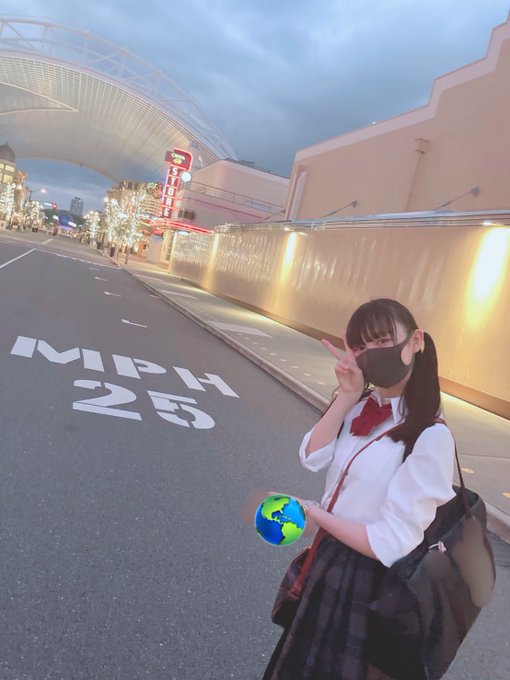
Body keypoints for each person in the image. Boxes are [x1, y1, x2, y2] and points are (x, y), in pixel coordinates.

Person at [262, 298, 455, 680]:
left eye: (383, 340)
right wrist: (347, 396)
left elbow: (390, 541)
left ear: (415, 342)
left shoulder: (431, 437)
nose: (372, 353)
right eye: (361, 346)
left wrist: (315, 513)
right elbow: (312, 456)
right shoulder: (359, 406)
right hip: (328, 561)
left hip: (370, 586)